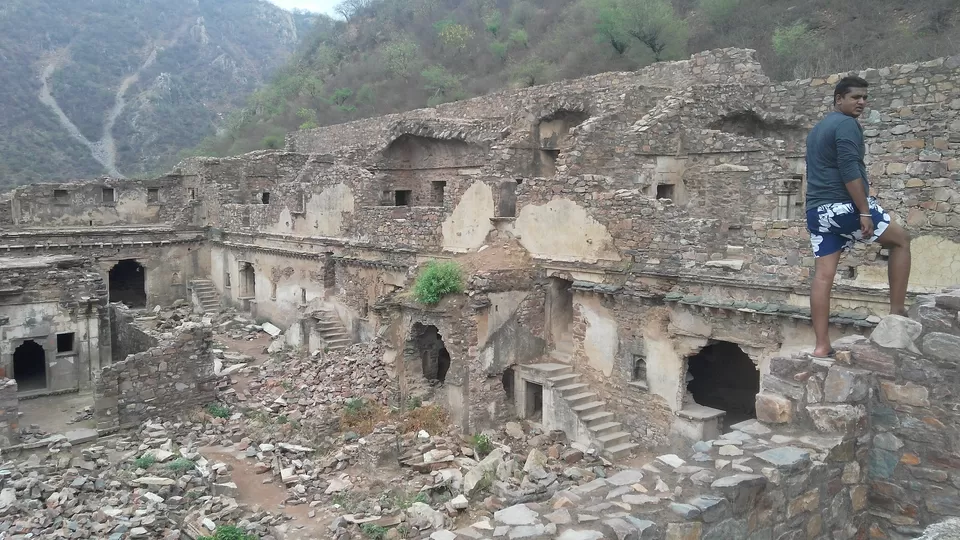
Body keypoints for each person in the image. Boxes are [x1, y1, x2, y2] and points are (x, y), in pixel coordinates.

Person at [804, 76, 911, 358]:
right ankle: (897, 313)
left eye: (864, 97)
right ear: (839, 99)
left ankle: (821, 345)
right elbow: (849, 168)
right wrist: (864, 210)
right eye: (855, 97)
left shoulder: (818, 129)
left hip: (817, 211)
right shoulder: (846, 124)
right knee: (900, 240)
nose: (861, 102)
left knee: (823, 276)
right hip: (842, 206)